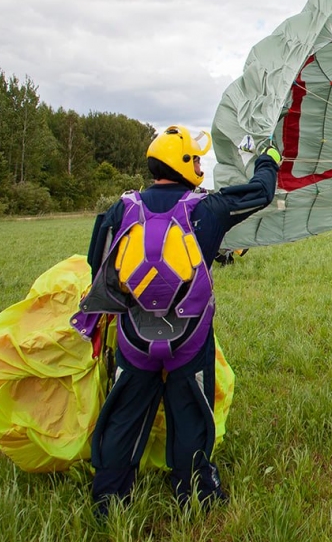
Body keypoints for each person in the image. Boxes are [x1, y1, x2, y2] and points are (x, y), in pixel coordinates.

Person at [71, 125, 280, 515]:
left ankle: (110, 499)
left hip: (133, 334)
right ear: (184, 162)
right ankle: (196, 493)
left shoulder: (122, 208)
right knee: (191, 414)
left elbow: (95, 260)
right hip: (190, 336)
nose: (200, 164)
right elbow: (260, 192)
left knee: (125, 413)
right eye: (196, 158)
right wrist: (269, 157)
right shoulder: (207, 208)